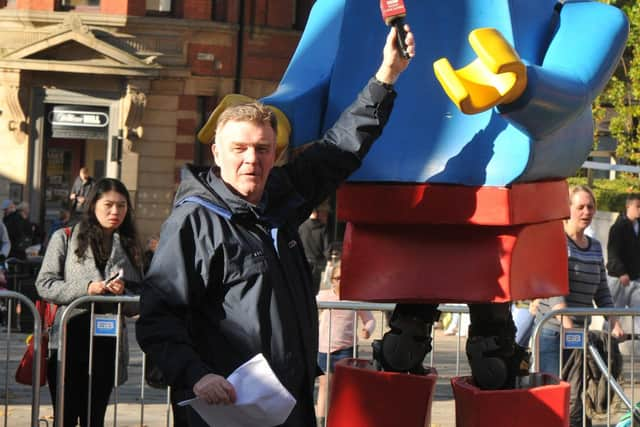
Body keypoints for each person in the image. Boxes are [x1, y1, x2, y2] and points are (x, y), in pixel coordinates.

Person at [135, 25, 414, 427]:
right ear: (216, 152)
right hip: (226, 409)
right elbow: (158, 317)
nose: (252, 159)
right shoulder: (194, 221)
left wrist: (387, 76)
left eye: (263, 149)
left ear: (275, 153)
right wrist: (197, 375)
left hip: (287, 406)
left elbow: (337, 151)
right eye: (240, 148)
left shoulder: (277, 201)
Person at [35, 178, 143, 427]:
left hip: (108, 341)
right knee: (65, 415)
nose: (115, 212)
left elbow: (141, 297)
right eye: (108, 205)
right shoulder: (65, 237)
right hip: (68, 339)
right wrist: (87, 289)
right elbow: (45, 284)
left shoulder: (128, 245)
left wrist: (123, 292)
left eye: (122, 205)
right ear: (93, 204)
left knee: (95, 417)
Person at [536, 185, 624, 427]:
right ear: (568, 209)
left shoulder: (595, 246)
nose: (587, 212)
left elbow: (602, 291)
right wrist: (567, 323)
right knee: (553, 393)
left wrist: (614, 322)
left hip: (579, 336)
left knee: (575, 395)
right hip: (552, 332)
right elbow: (553, 286)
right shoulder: (556, 240)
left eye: (590, 207)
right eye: (581, 207)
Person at [316, 257, 375, 423]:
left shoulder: (355, 297)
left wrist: (367, 330)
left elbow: (369, 319)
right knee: (325, 387)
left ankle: (345, 418)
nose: (340, 281)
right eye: (337, 278)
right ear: (331, 280)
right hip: (325, 347)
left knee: (347, 388)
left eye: (344, 277)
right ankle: (322, 421)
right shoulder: (324, 296)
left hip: (347, 349)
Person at [606, 193, 640, 333]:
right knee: (613, 319)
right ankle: (606, 349)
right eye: (637, 206)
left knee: (638, 316)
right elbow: (612, 253)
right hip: (619, 279)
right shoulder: (618, 227)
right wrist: (621, 272)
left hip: (636, 279)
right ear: (628, 206)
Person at [298, 200, 331, 290]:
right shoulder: (323, 228)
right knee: (314, 291)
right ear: (318, 212)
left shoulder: (301, 227)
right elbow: (326, 248)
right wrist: (329, 260)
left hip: (303, 262)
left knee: (304, 288)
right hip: (317, 263)